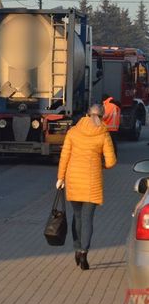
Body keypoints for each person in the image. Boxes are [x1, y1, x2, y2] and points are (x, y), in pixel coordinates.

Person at [56, 103, 116, 270]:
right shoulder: (103, 133)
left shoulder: (73, 132)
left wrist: (60, 178)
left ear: (87, 114)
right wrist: (100, 164)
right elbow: (111, 162)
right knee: (88, 218)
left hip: (74, 180)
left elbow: (64, 156)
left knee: (77, 216)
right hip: (92, 182)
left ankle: (76, 248)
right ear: (102, 116)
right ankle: (84, 253)